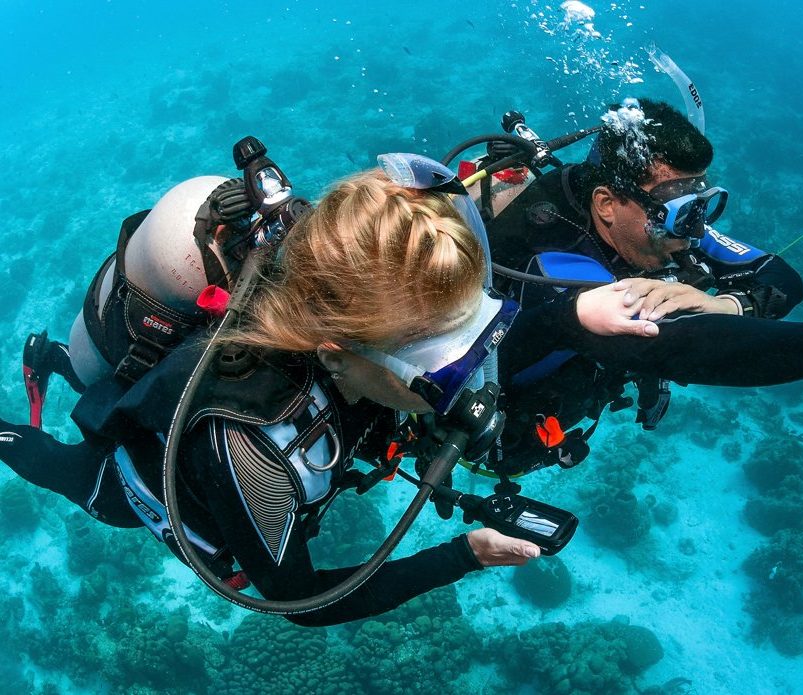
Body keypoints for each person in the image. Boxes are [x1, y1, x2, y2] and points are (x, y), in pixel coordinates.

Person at [2, 165, 541, 626]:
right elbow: (301, 601)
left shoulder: (353, 321)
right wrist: (465, 555)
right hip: (133, 482)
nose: (464, 380)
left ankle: (56, 359)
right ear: (334, 354)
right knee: (69, 472)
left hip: (203, 386)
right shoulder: (248, 447)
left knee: (104, 382)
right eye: (439, 370)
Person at [478, 97, 803, 476]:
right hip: (497, 413)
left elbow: (780, 277)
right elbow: (679, 348)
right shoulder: (555, 261)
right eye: (681, 212)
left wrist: (730, 302)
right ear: (607, 205)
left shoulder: (657, 220)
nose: (695, 230)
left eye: (701, 205)